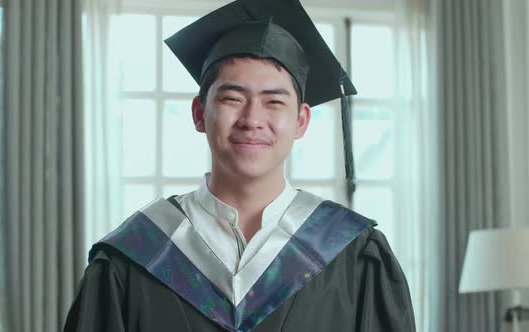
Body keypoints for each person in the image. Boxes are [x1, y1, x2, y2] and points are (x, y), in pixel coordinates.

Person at [64, 0, 416, 330]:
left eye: (274, 102)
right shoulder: (134, 256)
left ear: (301, 121)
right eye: (232, 98)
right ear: (200, 114)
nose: (252, 119)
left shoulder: (354, 256)